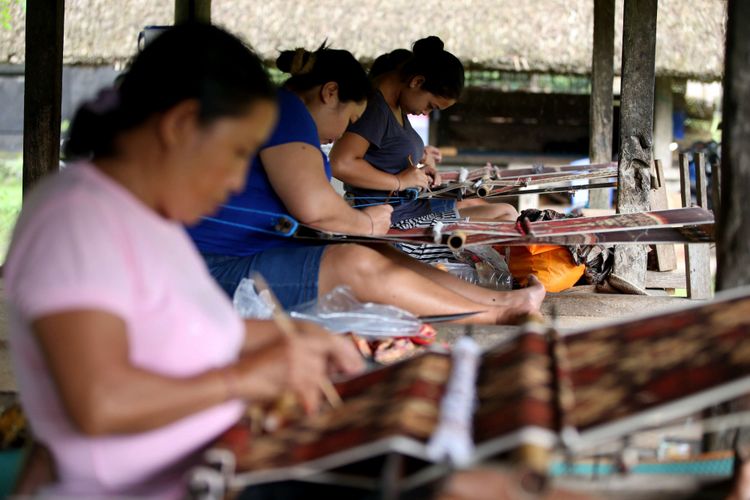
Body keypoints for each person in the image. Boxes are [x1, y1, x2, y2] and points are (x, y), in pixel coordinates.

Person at [3, 23, 363, 498]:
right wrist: (246, 378)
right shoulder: (76, 220)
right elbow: (99, 402)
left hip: (214, 460)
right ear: (181, 126)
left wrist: (297, 335)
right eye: (238, 153)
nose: (238, 182)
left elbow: (192, 332)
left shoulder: (152, 218)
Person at [188, 45, 545, 325]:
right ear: (330, 93)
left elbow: (314, 202)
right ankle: (496, 314)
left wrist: (362, 226)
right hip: (214, 272)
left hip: (232, 258)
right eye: (350, 118)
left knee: (375, 252)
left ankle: (499, 301)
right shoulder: (288, 110)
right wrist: (367, 223)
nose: (345, 131)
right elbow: (314, 208)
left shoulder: (279, 111)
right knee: (354, 261)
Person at [329, 37, 517, 241]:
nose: (425, 111)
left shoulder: (394, 106)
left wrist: (417, 168)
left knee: (503, 212)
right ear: (417, 81)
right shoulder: (375, 108)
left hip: (407, 209)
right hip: (394, 221)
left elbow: (381, 154)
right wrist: (400, 181)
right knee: (506, 217)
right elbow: (341, 163)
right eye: (430, 105)